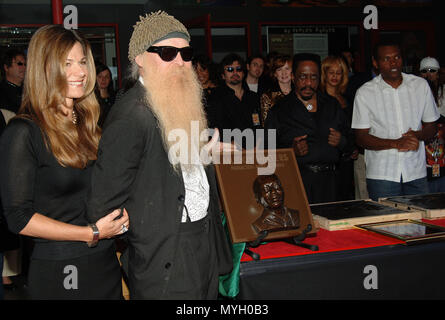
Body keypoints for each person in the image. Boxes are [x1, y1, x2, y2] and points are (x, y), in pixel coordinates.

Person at [86, 11, 232, 300]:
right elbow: (102, 203)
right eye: (167, 52)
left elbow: (165, 164)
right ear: (140, 58)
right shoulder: (131, 115)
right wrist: (145, 234)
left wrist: (205, 152)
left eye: (186, 53)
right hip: (166, 255)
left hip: (204, 242)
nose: (180, 62)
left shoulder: (177, 100)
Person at [0, 25, 129, 300]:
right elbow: (18, 218)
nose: (80, 71)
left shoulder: (89, 122)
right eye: (67, 63)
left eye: (82, 61)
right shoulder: (23, 131)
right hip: (61, 268)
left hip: (104, 260)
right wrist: (90, 232)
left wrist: (121, 213)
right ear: (44, 69)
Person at [352, 41, 439, 201]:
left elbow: (432, 126)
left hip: (415, 172)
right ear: (375, 63)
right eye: (386, 59)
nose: (393, 63)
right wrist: (396, 143)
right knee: (386, 223)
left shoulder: (420, 86)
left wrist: (417, 135)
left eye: (397, 57)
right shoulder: (365, 92)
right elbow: (361, 138)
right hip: (382, 174)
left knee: (419, 223)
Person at [265, 53, 350, 204]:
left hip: (333, 184)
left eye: (314, 77)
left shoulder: (332, 105)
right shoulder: (279, 111)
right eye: (303, 77)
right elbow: (267, 153)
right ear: (293, 77)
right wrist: (291, 151)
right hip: (298, 184)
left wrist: (342, 141)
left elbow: (352, 144)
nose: (308, 83)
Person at [320, 55, 357, 201]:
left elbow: (352, 129)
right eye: (331, 72)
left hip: (346, 160)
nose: (335, 76)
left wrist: (352, 147)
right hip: (328, 162)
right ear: (325, 74)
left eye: (339, 72)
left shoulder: (347, 99)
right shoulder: (319, 99)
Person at [207, 53, 261, 150]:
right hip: (228, 151)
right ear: (223, 75)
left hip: (254, 150)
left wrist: (258, 144)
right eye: (230, 69)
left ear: (243, 73)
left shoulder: (254, 97)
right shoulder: (215, 97)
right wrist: (231, 144)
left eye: (238, 69)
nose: (235, 73)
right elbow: (213, 127)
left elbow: (259, 125)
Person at [419, 57, 445, 192]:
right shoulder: (416, 93)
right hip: (423, 154)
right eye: (424, 71)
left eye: (432, 70)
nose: (428, 74)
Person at [260, 55, 294, 126]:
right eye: (279, 69)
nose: (284, 73)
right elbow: (266, 124)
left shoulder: (300, 93)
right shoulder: (268, 96)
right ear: (275, 74)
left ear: (293, 71)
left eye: (287, 69)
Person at [0, 49, 26, 114]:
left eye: (25, 64)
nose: (24, 67)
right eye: (19, 64)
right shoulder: (2, 94)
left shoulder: (29, 90)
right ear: (6, 67)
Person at [95, 63, 116, 127]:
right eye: (100, 76)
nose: (103, 79)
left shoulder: (115, 98)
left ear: (110, 79)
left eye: (106, 76)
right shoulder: (91, 99)